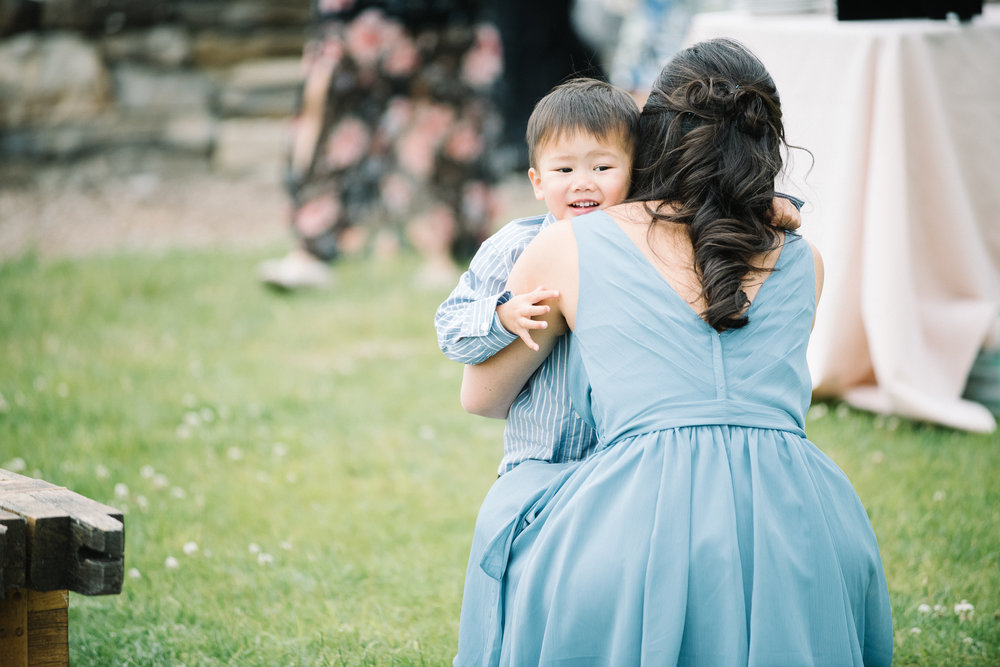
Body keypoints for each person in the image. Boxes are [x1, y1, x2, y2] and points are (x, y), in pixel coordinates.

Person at [456, 38, 893, 665]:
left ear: (651, 137)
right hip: (807, 530)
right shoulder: (806, 259)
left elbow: (482, 396)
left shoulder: (574, 243)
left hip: (636, 520)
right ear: (766, 144)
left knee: (512, 506)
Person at [257, 0, 504, 290]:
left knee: (448, 115)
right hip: (356, 11)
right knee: (331, 105)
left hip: (443, 14)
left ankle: (443, 249)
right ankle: (311, 246)